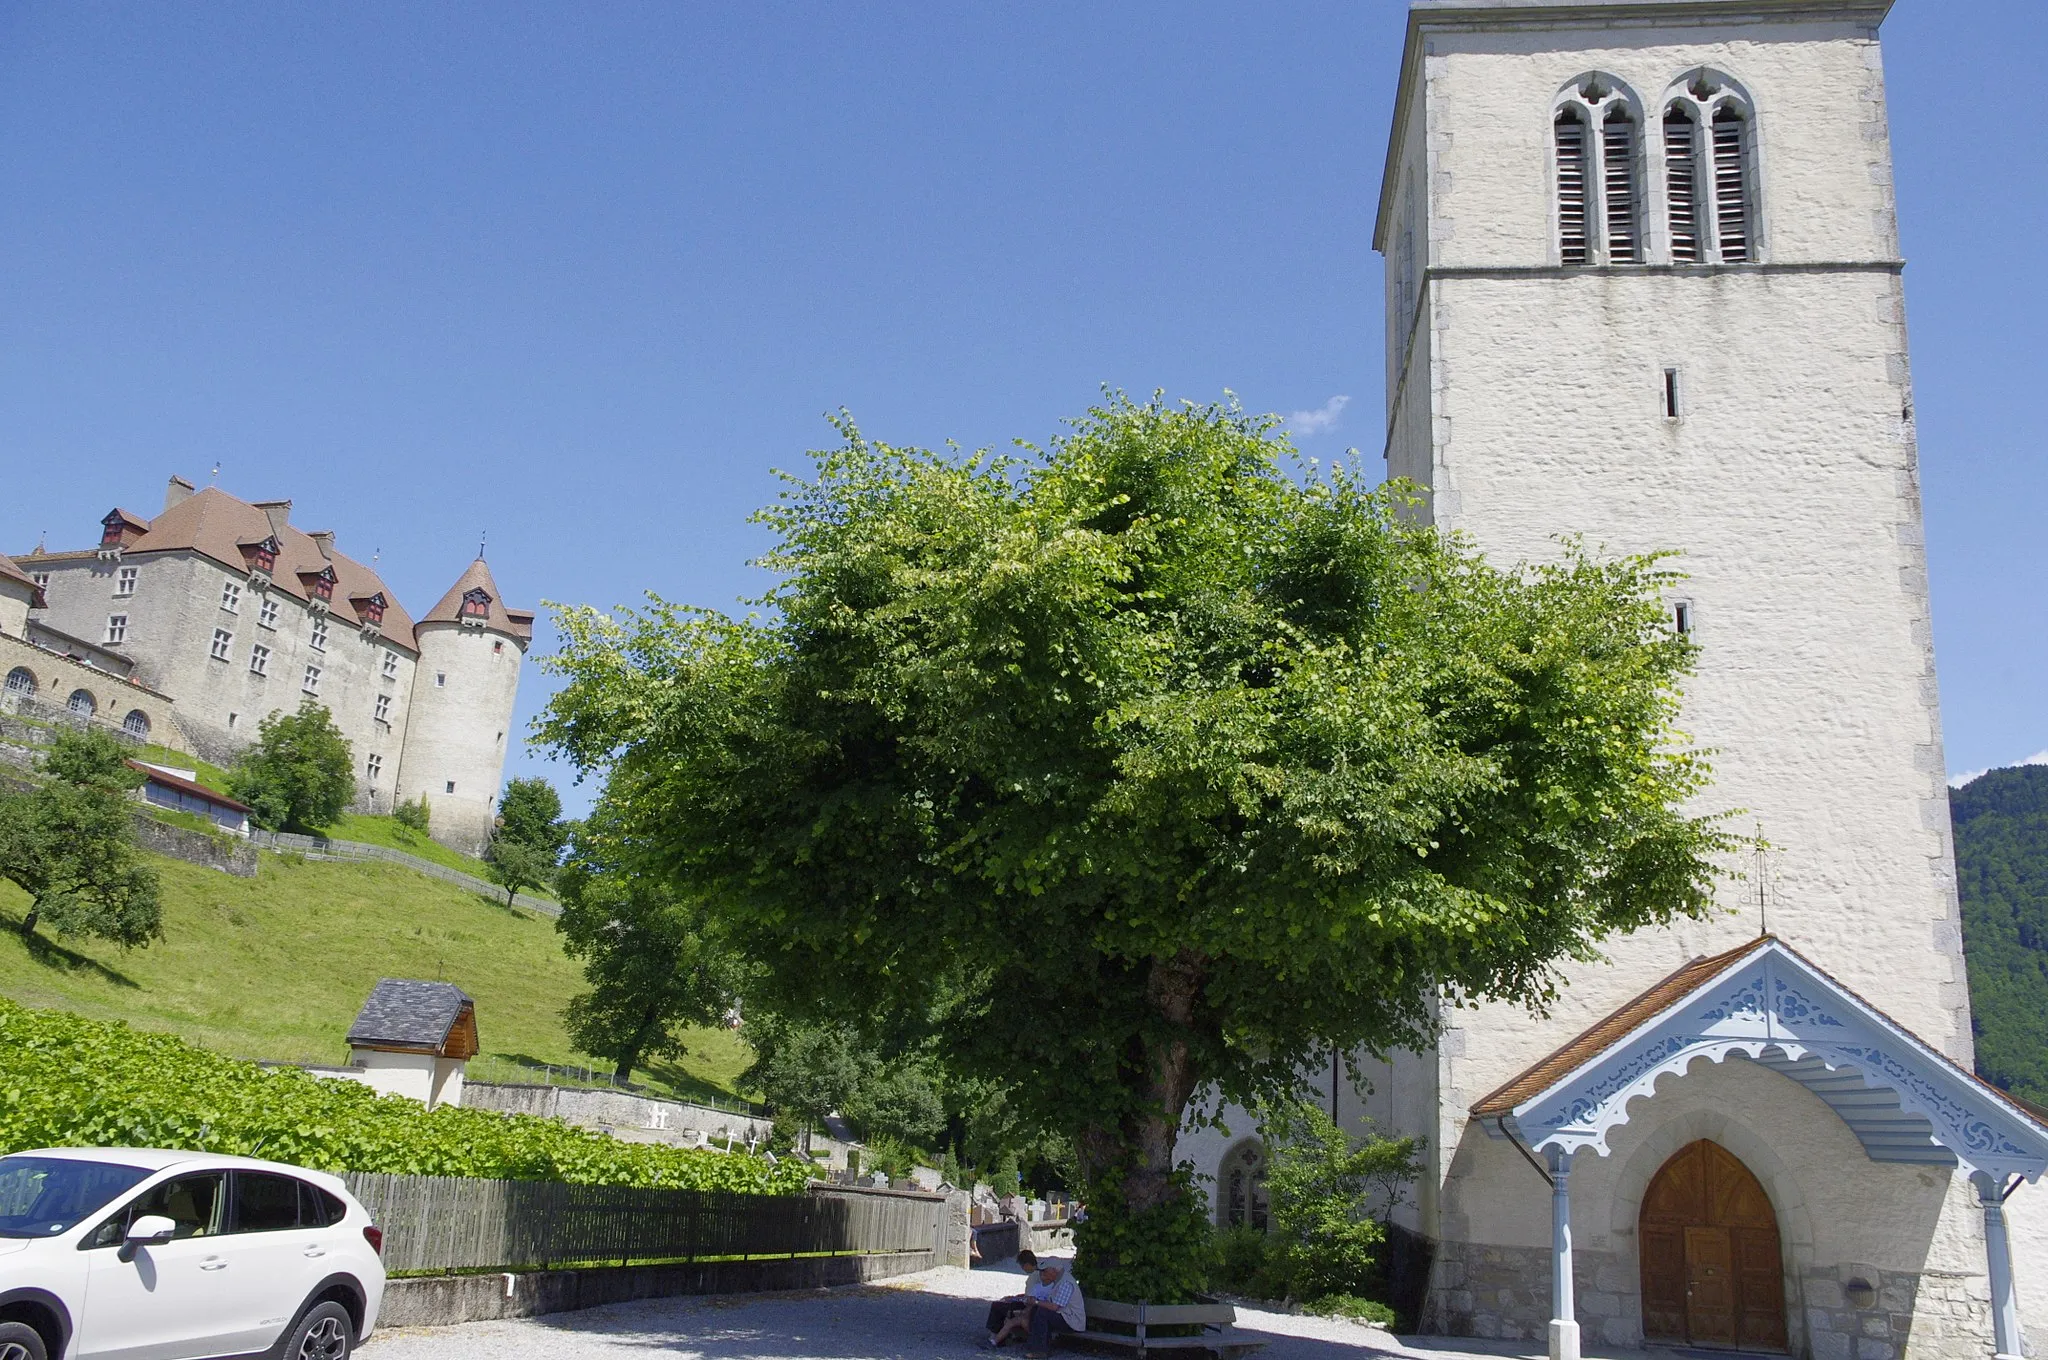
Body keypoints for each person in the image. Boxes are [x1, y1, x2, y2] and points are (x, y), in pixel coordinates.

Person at [1022, 1257, 1085, 1358]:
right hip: (1064, 1315)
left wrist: (1037, 1301)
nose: (1043, 1274)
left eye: (1045, 1271)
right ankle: (1036, 1347)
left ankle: (1040, 1351)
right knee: (1037, 1310)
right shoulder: (1058, 1279)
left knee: (1043, 1312)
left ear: (1054, 1270)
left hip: (1072, 1320)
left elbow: (1054, 1307)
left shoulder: (1066, 1283)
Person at [983, 1251, 1042, 1347]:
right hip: (1032, 1302)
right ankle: (1001, 1334)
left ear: (1026, 1265)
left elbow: (1030, 1297)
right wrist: (1017, 1297)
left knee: (997, 1306)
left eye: (1022, 1266)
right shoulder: (1039, 1272)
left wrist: (1016, 1298)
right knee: (1004, 1303)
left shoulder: (1033, 1277)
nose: (1023, 1269)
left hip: (1029, 1305)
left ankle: (995, 1333)